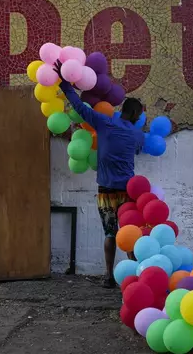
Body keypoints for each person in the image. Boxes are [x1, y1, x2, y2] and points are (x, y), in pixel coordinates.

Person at [55, 61, 145, 288]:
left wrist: (64, 82)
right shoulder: (136, 135)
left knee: (109, 234)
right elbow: (137, 148)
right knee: (129, 234)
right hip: (127, 192)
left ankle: (108, 276)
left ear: (122, 110)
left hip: (105, 189)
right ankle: (134, 275)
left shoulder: (105, 123)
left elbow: (79, 106)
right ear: (135, 116)